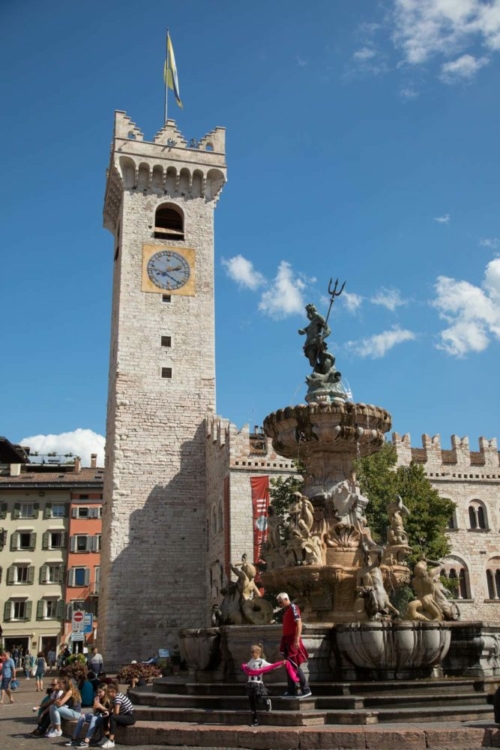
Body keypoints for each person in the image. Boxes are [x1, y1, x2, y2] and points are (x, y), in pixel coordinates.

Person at [277, 592, 312, 698]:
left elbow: (299, 623)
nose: (279, 604)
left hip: (293, 640)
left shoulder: (293, 608)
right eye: (278, 603)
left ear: (286, 599)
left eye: (280, 602)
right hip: (287, 640)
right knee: (289, 665)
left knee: (294, 665)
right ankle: (291, 690)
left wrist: (297, 639)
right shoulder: (287, 610)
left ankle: (305, 689)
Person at [64, 683, 111, 747]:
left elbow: (111, 712)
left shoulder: (109, 700)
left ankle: (87, 741)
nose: (98, 694)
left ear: (105, 691)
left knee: (94, 718)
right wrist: (94, 706)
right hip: (97, 716)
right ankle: (74, 739)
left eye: (100, 692)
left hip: (104, 718)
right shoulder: (98, 698)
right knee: (82, 716)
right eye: (97, 692)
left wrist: (101, 707)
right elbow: (94, 712)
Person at [99, 681, 136, 748]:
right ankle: (106, 737)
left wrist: (109, 721)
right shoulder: (113, 698)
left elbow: (116, 712)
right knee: (106, 716)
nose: (107, 694)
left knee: (113, 717)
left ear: (113, 692)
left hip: (130, 717)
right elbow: (109, 710)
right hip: (123, 716)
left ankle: (111, 740)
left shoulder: (118, 697)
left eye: (108, 692)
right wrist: (106, 713)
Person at [243, 644, 272, 726]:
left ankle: (266, 701)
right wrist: (244, 667)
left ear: (258, 653)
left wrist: (281, 664)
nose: (251, 654)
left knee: (258, 700)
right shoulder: (250, 661)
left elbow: (270, 666)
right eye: (251, 652)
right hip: (250, 684)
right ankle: (254, 720)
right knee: (251, 702)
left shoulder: (261, 661)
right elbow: (247, 667)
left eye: (253, 652)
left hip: (258, 684)